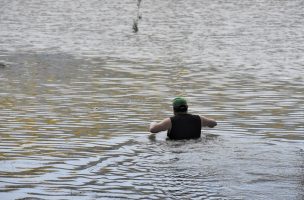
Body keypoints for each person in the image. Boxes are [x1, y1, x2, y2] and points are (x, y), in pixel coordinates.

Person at [149, 97, 217, 140]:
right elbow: (214, 123)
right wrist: (210, 121)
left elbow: (153, 130)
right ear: (187, 107)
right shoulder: (199, 119)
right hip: (195, 147)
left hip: (176, 146)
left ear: (173, 109)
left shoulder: (170, 121)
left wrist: (153, 123)